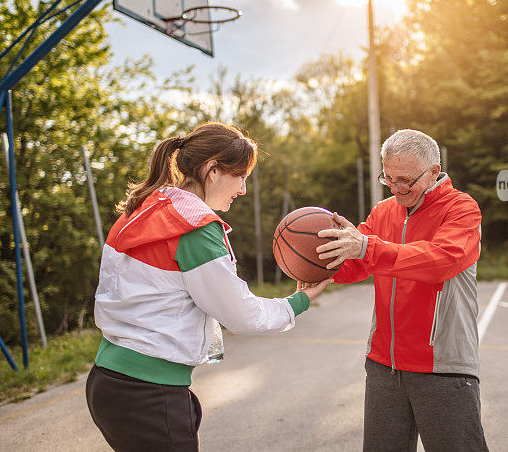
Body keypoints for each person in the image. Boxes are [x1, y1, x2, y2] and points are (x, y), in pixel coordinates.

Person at [86, 122, 332, 452]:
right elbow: (243, 314)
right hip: (146, 392)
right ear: (212, 170)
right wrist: (299, 301)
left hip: (109, 381)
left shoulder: (145, 208)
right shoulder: (193, 227)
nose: (243, 189)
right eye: (241, 176)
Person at [317, 129, 488, 451]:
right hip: (384, 365)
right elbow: (356, 264)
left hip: (442, 365)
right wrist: (317, 264)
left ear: (434, 172)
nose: (397, 188)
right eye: (389, 178)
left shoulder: (462, 209)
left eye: (405, 180)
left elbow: (441, 260)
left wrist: (367, 246)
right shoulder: (383, 212)